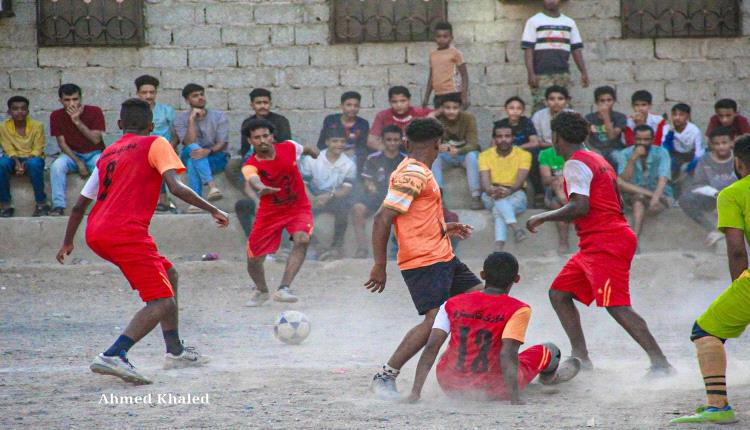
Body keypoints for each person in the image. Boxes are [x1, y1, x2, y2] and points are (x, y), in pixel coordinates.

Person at [55, 98, 229, 385]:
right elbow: (175, 186)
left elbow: (78, 206)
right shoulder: (156, 143)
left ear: (120, 125)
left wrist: (67, 242)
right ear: (151, 126)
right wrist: (213, 209)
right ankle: (114, 354)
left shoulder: (107, 153)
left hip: (96, 231)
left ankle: (175, 351)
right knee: (161, 300)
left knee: (169, 273)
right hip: (125, 233)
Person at [526, 112, 672, 374]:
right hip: (597, 241)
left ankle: (660, 363)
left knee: (616, 305)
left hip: (606, 241)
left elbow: (579, 207)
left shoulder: (576, 163)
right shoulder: (596, 158)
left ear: (557, 137)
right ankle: (581, 358)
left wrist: (543, 216)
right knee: (559, 293)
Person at [365, 118, 481, 400]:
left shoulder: (416, 172)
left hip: (442, 255)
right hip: (424, 261)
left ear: (406, 144)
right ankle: (386, 375)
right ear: (437, 145)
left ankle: (468, 368)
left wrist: (444, 228)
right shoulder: (414, 174)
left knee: (479, 300)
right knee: (434, 321)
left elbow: (411, 215)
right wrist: (380, 264)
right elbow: (382, 218)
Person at [405, 252, 581, 404]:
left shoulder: (452, 303)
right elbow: (508, 353)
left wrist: (415, 393)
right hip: (495, 389)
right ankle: (549, 378)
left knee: (446, 352)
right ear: (516, 279)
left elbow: (431, 347)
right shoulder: (518, 309)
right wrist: (514, 398)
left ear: (482, 274)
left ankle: (447, 384)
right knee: (550, 349)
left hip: (451, 385)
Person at [670, 135, 750, 425]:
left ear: (738, 163)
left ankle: (718, 406)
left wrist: (738, 287)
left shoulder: (732, 193)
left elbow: (737, 249)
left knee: (705, 331)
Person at [241, 119, 320, 307]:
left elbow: (306, 149)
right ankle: (261, 290)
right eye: (257, 137)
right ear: (250, 141)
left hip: (298, 207)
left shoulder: (290, 147)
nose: (262, 141)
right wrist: (262, 187)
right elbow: (252, 179)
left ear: (272, 136)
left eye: (265, 136)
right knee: (253, 260)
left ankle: (284, 288)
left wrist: (315, 152)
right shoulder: (250, 164)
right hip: (270, 213)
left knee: (302, 239)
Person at [49, 83, 106, 216]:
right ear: (60, 101)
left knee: (102, 165)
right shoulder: (56, 116)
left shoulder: (95, 111)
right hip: (72, 155)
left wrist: (77, 121)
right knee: (57, 166)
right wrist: (79, 162)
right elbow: (62, 144)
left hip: (94, 153)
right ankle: (58, 206)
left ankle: (103, 206)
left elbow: (96, 139)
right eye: (67, 100)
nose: (72, 103)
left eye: (75, 99)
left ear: (81, 98)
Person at [522, 0, 588, 113]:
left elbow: (576, 49)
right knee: (541, 107)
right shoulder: (534, 21)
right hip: (541, 74)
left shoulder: (569, 23)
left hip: (562, 74)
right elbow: (528, 49)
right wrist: (531, 73)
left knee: (564, 109)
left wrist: (583, 72)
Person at [302, 127, 357, 261]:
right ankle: (316, 246)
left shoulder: (349, 164)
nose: (339, 145)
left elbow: (346, 189)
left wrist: (329, 196)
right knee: (296, 211)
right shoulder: (312, 159)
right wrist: (312, 198)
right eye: (335, 141)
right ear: (327, 142)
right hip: (313, 194)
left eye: (342, 141)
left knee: (343, 208)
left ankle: (336, 247)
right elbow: (303, 184)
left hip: (334, 196)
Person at [351, 125, 405, 258]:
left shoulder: (406, 160)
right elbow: (367, 180)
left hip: (398, 198)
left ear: (401, 141)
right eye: (389, 139)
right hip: (376, 196)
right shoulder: (373, 158)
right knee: (357, 208)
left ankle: (401, 250)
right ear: (382, 140)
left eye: (395, 140)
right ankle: (362, 249)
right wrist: (371, 187)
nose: (392, 143)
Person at [174, 83, 230, 211]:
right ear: (187, 101)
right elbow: (189, 143)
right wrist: (192, 120)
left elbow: (222, 143)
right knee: (194, 149)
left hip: (216, 157)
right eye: (195, 96)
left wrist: (208, 151)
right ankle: (212, 186)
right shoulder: (180, 120)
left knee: (193, 161)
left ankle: (195, 203)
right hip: (190, 153)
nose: (200, 98)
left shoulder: (219, 116)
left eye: (201, 94)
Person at [679, 126, 737, 248]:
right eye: (717, 143)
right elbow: (698, 184)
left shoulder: (740, 158)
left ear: (732, 142)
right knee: (685, 199)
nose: (721, 146)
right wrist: (717, 194)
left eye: (724, 143)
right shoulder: (705, 160)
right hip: (714, 197)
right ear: (711, 144)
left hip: (737, 198)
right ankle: (712, 229)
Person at [614, 125, 672, 240]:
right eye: (639, 139)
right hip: (634, 193)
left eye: (646, 140)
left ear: (652, 139)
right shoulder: (625, 153)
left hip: (658, 193)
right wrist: (633, 159)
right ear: (633, 139)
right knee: (621, 184)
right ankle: (634, 239)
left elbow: (663, 177)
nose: (642, 143)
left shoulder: (662, 152)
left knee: (639, 199)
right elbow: (624, 179)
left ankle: (634, 238)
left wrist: (656, 196)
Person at [479, 123, 531, 251]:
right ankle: (516, 228)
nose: (503, 139)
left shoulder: (524, 155)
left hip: (516, 193)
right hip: (491, 193)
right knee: (497, 199)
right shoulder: (484, 156)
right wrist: (490, 190)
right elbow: (485, 182)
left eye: (507, 136)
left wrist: (508, 191)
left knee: (498, 209)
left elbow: (520, 181)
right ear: (494, 139)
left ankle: (498, 247)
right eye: (499, 136)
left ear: (513, 138)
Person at [134, 74, 178, 214]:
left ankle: (163, 201)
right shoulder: (133, 113)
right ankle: (161, 202)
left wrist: (168, 149)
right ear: (138, 94)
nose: (148, 96)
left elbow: (176, 137)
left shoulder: (166, 110)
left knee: (157, 163)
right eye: (144, 92)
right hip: (142, 151)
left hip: (165, 150)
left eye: (152, 92)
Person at [0, 96, 49, 217]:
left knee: (35, 164)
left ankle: (41, 204)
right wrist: (17, 163)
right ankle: (6, 205)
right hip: (13, 158)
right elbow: (7, 148)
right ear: (9, 111)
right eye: (15, 109)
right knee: (1, 164)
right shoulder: (3, 127)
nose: (19, 112)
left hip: (32, 158)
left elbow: (38, 147)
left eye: (23, 108)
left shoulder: (37, 125)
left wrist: (26, 163)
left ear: (27, 111)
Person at [432, 93, 482, 209]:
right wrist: (438, 147)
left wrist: (459, 151)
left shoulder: (468, 118)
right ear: (441, 108)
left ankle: (476, 196)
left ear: (460, 108)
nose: (451, 111)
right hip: (447, 156)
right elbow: (430, 143)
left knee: (472, 157)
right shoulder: (438, 119)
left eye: (455, 108)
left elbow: (474, 144)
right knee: (434, 157)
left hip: (463, 155)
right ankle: (438, 196)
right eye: (447, 108)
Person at [495, 96, 542, 194]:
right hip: (505, 152)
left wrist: (517, 148)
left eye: (518, 108)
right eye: (511, 108)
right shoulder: (500, 124)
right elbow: (493, 145)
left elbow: (534, 142)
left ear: (523, 110)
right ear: (506, 109)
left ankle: (538, 192)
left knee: (533, 154)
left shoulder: (526, 122)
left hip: (523, 152)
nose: (515, 111)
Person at [316, 91, 370, 175]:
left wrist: (351, 154)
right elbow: (321, 143)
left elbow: (362, 147)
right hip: (331, 154)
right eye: (349, 105)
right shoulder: (331, 120)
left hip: (352, 157)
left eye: (356, 106)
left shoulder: (363, 123)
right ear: (342, 106)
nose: (352, 108)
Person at [421, 21, 470, 109]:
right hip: (438, 95)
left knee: (454, 120)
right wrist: (426, 97)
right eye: (438, 36)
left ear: (451, 38)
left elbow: (464, 75)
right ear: (434, 38)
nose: (441, 39)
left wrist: (464, 96)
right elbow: (431, 77)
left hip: (453, 93)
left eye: (445, 36)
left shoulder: (456, 53)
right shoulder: (433, 55)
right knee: (439, 121)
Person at [368, 86, 432, 151]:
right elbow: (371, 140)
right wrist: (389, 151)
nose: (399, 105)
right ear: (389, 102)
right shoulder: (382, 116)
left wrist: (433, 115)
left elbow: (440, 110)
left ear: (409, 100)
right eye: (394, 102)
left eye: (403, 101)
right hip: (392, 155)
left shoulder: (420, 113)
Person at [585, 86, 627, 168]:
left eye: (609, 100)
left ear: (614, 101)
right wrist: (591, 150)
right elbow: (585, 139)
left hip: (615, 149)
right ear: (596, 102)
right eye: (602, 101)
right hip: (596, 149)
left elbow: (611, 137)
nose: (606, 103)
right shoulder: (589, 118)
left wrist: (606, 116)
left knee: (619, 158)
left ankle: (620, 179)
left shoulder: (620, 117)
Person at [538, 146, 570, 254]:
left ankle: (563, 242)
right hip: (553, 191)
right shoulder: (546, 154)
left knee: (558, 204)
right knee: (557, 188)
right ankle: (563, 242)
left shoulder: (581, 153)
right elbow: (546, 180)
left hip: (573, 190)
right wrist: (559, 179)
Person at [661, 103, 704, 180]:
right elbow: (665, 149)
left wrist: (688, 169)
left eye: (681, 115)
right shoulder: (666, 128)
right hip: (674, 154)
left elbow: (699, 153)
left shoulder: (694, 130)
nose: (677, 118)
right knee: (671, 164)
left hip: (689, 154)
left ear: (687, 116)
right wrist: (671, 132)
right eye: (674, 115)